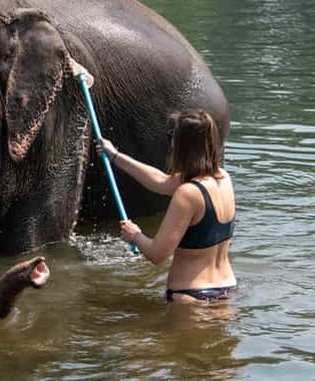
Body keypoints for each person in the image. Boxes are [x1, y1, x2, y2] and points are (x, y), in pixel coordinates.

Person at [96, 108, 236, 303]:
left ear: (181, 145)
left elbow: (157, 254)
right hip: (228, 290)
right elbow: (161, 181)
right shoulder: (223, 178)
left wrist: (135, 235)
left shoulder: (187, 193)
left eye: (172, 136)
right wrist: (115, 155)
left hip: (191, 296)